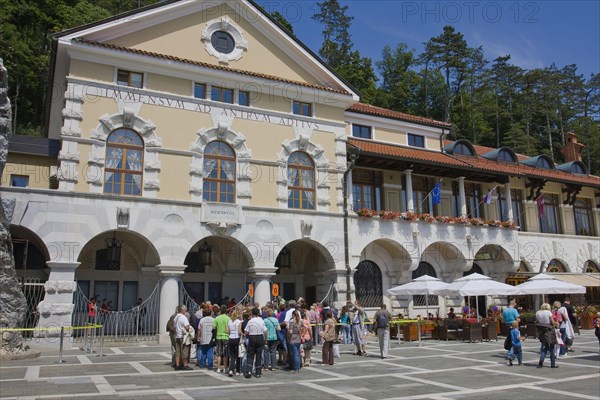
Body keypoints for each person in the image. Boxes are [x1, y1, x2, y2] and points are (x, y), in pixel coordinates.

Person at [244, 307, 267, 378]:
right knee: (259, 355)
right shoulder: (261, 320)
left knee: (250, 354)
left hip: (252, 337)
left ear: (252, 313)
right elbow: (265, 331)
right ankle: (258, 372)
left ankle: (249, 371)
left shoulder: (250, 321)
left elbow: (246, 331)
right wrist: (265, 340)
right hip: (260, 337)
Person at [536, 303, 558, 368]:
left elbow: (537, 321)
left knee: (545, 347)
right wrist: (556, 323)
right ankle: (553, 364)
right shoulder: (548, 312)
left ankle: (541, 361)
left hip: (542, 331)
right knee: (551, 348)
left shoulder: (538, 313)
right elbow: (552, 322)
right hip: (549, 330)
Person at [174, 305, 193, 371]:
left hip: (177, 336)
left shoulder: (176, 317)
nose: (186, 311)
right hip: (183, 337)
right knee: (185, 351)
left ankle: (177, 365)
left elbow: (174, 327)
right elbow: (187, 327)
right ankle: (185, 365)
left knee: (178, 351)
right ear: (182, 310)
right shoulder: (183, 317)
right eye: (185, 310)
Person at [213, 305, 231, 373]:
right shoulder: (228, 318)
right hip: (226, 336)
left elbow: (214, 327)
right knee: (225, 353)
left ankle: (218, 368)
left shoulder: (217, 318)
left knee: (219, 353)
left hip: (219, 336)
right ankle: (225, 367)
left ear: (220, 310)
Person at [226, 309, 242, 376]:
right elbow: (239, 331)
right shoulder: (239, 322)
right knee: (238, 355)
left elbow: (227, 330)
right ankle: (237, 370)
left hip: (231, 338)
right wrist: (242, 334)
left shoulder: (229, 321)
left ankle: (230, 370)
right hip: (237, 338)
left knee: (232, 356)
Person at [287, 309, 303, 373]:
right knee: (298, 353)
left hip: (293, 338)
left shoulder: (292, 322)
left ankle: (295, 368)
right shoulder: (300, 322)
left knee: (295, 354)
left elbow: (290, 332)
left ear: (293, 315)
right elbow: (305, 327)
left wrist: (288, 329)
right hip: (298, 337)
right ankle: (298, 367)